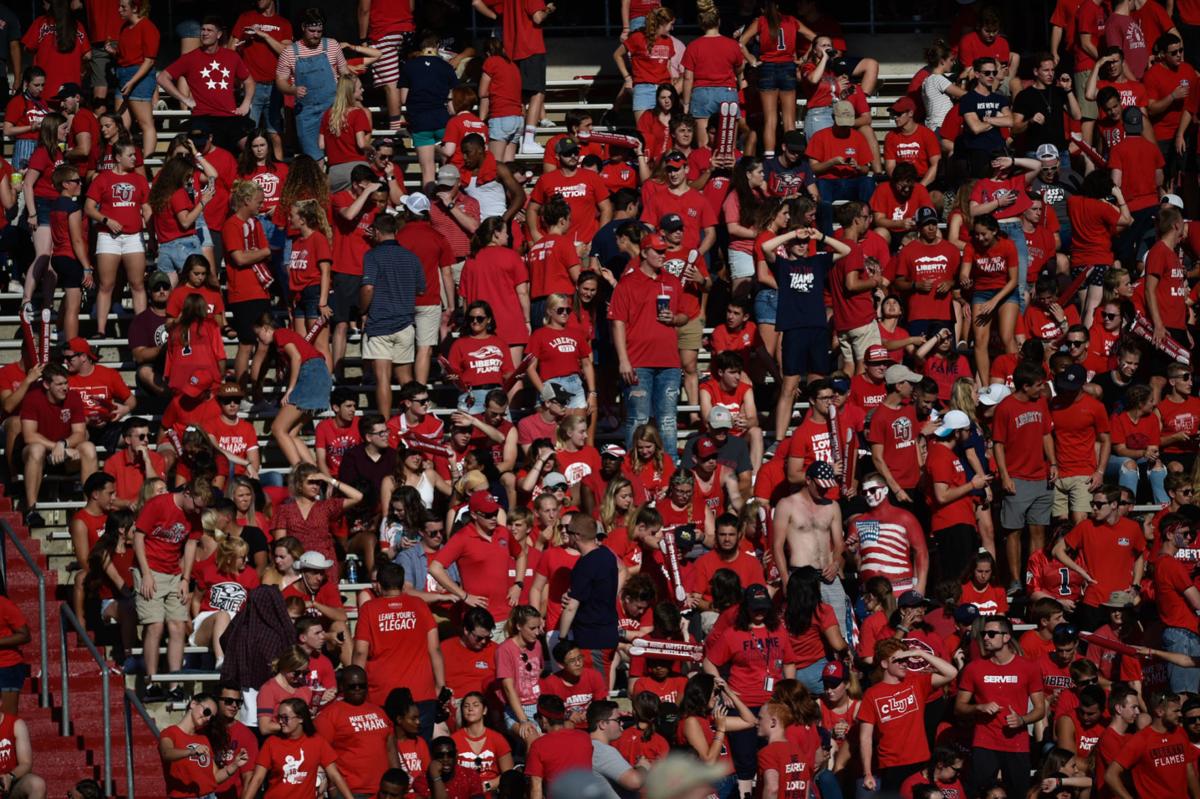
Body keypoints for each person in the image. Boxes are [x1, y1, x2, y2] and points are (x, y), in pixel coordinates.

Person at [135, 479, 212, 702]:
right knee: (155, 625)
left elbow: (190, 545)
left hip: (173, 572)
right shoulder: (158, 504)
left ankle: (174, 683)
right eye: (196, 506)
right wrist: (146, 573)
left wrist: (185, 578)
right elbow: (139, 537)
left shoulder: (194, 514)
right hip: (149, 567)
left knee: (178, 626)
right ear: (187, 493)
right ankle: (151, 682)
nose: (198, 511)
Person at [954, 616, 1045, 798]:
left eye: (992, 633)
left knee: (1018, 794)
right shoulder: (974, 668)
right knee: (979, 793)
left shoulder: (1029, 667)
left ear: (1006, 637)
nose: (986, 637)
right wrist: (978, 707)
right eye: (984, 634)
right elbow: (959, 708)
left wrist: (1022, 719)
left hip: (1017, 744)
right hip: (984, 742)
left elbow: (1040, 709)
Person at [352, 561, 444, 736]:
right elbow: (435, 649)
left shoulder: (369, 609)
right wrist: (440, 684)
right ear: (402, 584)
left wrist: (356, 686)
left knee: (389, 754)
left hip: (382, 695)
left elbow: (360, 652)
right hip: (421, 692)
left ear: (378, 585)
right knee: (421, 754)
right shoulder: (419, 605)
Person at [860, 639, 958, 792]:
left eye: (905, 659)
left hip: (920, 761)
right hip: (891, 765)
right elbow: (865, 737)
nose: (904, 663)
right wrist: (868, 773)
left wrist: (920, 653)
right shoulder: (871, 694)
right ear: (885, 664)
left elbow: (951, 673)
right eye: (898, 660)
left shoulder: (916, 682)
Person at [360, 211, 426, 416]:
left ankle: (386, 425)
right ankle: (413, 421)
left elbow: (368, 288)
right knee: (406, 379)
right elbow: (420, 289)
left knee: (383, 379)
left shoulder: (372, 255)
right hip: (405, 323)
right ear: (396, 232)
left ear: (377, 232)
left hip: (380, 323)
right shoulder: (412, 257)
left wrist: (362, 310)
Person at [20, 363, 98, 527]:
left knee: (89, 448)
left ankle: (91, 510)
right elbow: (29, 435)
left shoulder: (74, 397)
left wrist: (63, 444)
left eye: (66, 383)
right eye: (60, 384)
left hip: (65, 454)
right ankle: (31, 510)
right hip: (39, 456)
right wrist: (56, 446)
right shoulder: (32, 398)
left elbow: (80, 432)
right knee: (36, 449)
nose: (65, 388)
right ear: (47, 384)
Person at [240, 698, 353, 799]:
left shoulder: (317, 742)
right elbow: (257, 779)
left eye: (285, 718)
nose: (280, 722)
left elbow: (334, 774)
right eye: (279, 717)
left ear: (300, 718)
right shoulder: (271, 743)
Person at [313, 666, 397, 797]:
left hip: (384, 791)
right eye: (352, 686)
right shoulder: (329, 715)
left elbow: (391, 748)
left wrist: (398, 783)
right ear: (342, 687)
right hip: (350, 791)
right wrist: (333, 789)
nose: (357, 689)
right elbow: (320, 756)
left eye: (362, 685)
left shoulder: (379, 712)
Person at [1106, 691, 1200, 799]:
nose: (1180, 714)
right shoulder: (1141, 740)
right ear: (1160, 712)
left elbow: (1190, 772)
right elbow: (1110, 775)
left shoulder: (1180, 733)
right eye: (1176, 711)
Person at [160, 693, 246, 799]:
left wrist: (235, 765)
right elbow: (166, 753)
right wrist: (191, 751)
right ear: (193, 704)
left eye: (211, 717)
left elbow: (214, 777)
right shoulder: (170, 732)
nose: (208, 718)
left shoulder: (203, 739)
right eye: (207, 712)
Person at [525, 695, 593, 799]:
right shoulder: (584, 738)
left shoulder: (538, 745)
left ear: (543, 719)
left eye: (536, 717)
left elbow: (536, 787)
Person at [589, 699, 649, 795]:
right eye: (617, 720)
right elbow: (635, 781)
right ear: (602, 724)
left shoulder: (591, 746)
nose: (622, 724)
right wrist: (643, 767)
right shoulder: (603, 751)